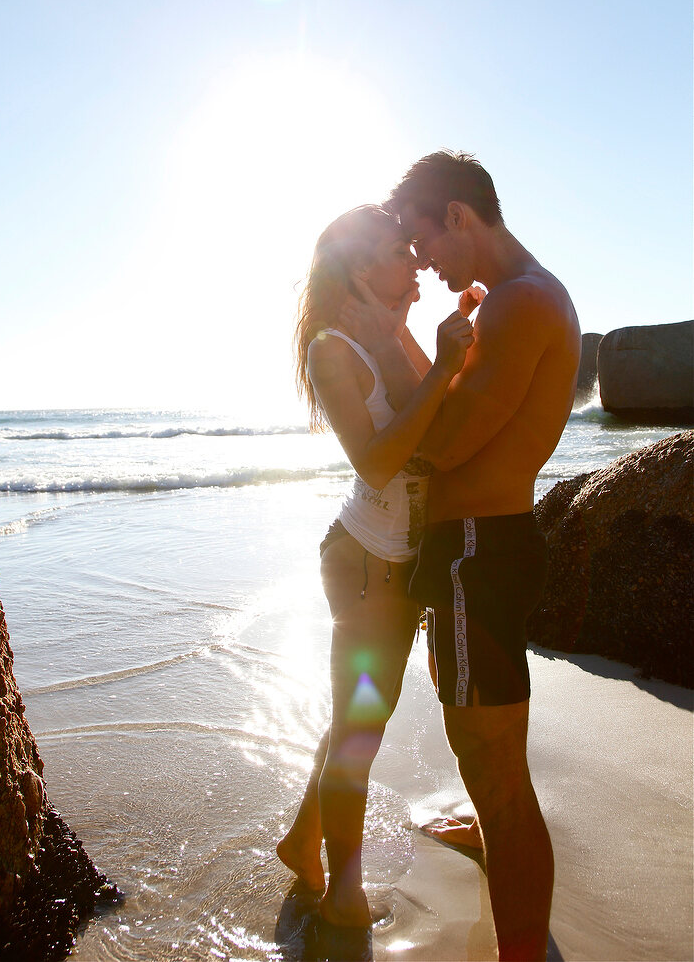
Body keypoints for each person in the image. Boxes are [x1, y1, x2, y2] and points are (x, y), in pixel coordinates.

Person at [341, 151, 581, 962]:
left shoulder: (519, 305)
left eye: (422, 241)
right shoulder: (519, 297)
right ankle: (487, 832)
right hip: (474, 550)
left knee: (499, 775)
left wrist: (410, 355)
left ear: (457, 216)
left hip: (477, 551)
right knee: (478, 747)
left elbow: (439, 447)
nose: (421, 262)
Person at [276, 204, 476, 928]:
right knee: (360, 726)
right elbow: (379, 458)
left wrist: (413, 339)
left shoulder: (389, 335)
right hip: (367, 562)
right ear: (362, 267)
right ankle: (342, 895)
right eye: (401, 251)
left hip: (403, 562)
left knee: (360, 719)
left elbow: (443, 420)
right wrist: (442, 362)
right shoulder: (330, 349)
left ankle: (303, 841)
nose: (417, 263)